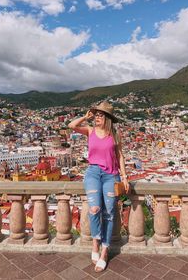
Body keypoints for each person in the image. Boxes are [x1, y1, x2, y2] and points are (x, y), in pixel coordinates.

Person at [68, 101, 129, 272]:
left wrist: (124, 176)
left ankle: (104, 250)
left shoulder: (115, 135)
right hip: (93, 173)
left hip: (111, 175)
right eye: (96, 115)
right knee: (94, 209)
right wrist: (85, 117)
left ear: (108, 118)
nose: (97, 118)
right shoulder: (90, 131)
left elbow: (120, 156)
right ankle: (95, 242)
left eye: (100, 115)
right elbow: (71, 125)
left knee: (109, 213)